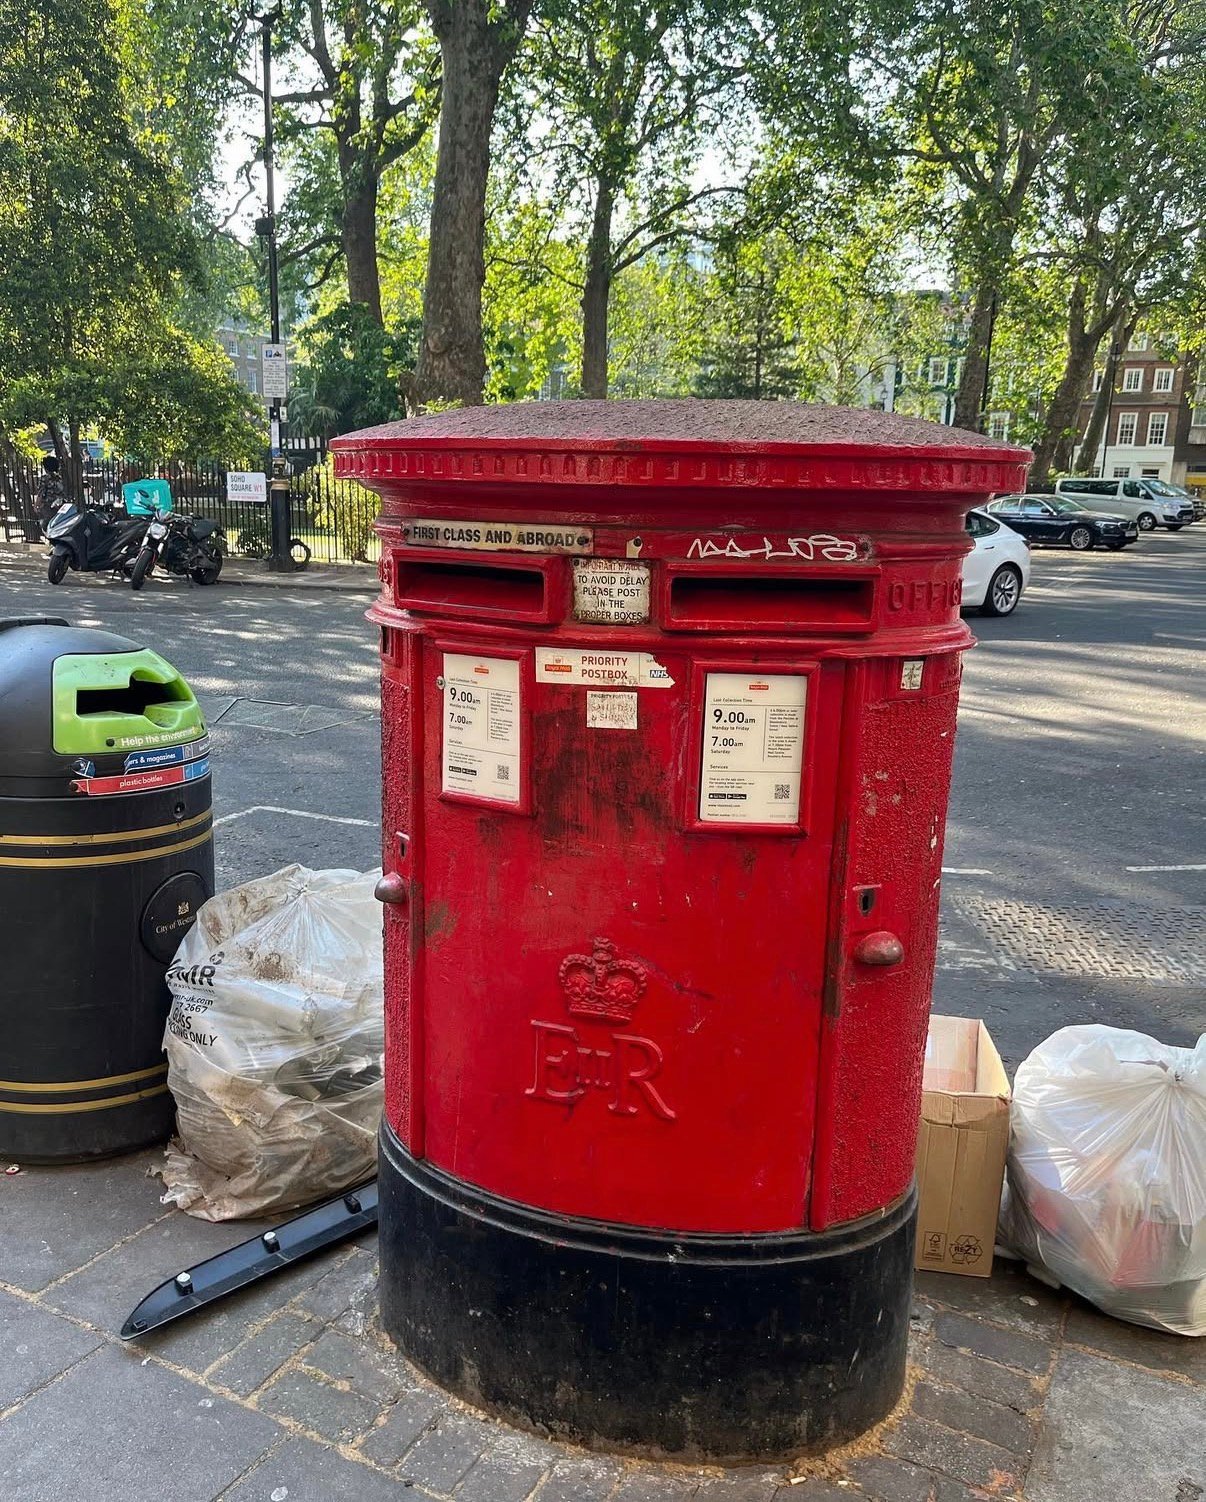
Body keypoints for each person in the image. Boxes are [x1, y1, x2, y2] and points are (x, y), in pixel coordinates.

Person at [35, 456, 65, 527]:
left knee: (48, 526)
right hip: (60, 505)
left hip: (48, 505)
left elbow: (41, 493)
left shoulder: (45, 478)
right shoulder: (60, 478)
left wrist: (36, 505)